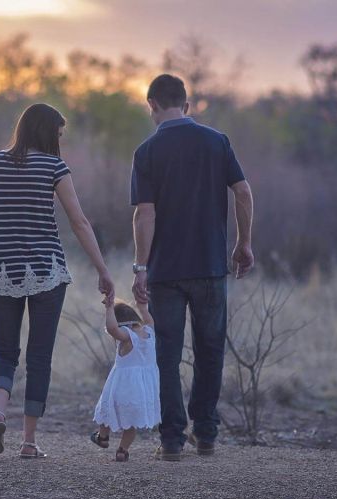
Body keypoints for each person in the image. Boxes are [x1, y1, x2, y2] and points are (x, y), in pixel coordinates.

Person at [0, 103, 115, 459]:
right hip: (47, 270)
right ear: (48, 133)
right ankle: (29, 442)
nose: (60, 141)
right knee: (39, 357)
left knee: (4, 351)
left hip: (0, 269)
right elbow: (79, 222)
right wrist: (102, 269)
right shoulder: (54, 167)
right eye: (59, 134)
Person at [130, 74, 256, 461]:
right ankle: (206, 434)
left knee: (166, 355)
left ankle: (171, 440)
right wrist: (243, 243)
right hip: (210, 266)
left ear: (151, 105)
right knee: (210, 349)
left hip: (166, 271)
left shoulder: (147, 151)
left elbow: (144, 214)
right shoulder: (217, 142)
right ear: (186, 105)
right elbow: (243, 192)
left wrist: (140, 267)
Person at [90, 298, 161, 462]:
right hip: (142, 390)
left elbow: (112, 328)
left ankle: (103, 437)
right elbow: (148, 318)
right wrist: (142, 306)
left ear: (122, 324)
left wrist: (109, 309)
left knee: (107, 410)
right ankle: (122, 450)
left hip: (122, 386)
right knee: (131, 423)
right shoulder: (149, 332)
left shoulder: (127, 336)